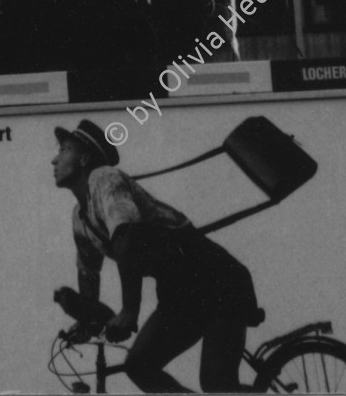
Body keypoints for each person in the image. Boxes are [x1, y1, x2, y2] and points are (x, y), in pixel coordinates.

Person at [52, 119, 262, 393]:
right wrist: (86, 319)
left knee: (217, 384)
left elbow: (127, 240)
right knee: (139, 366)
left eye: (64, 150)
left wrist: (129, 311)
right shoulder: (80, 218)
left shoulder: (104, 178)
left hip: (218, 281)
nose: (54, 160)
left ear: (83, 158)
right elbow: (88, 271)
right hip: (179, 292)